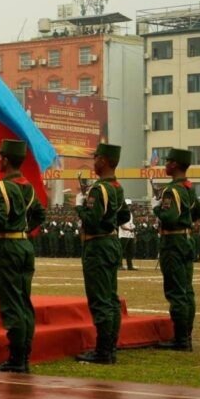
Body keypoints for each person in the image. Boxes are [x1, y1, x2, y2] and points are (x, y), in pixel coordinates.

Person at [0, 139, 45, 373]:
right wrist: (25, 230)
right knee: (23, 301)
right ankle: (24, 355)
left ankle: (16, 359)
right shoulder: (28, 186)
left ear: (6, 160)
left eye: (0, 156)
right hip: (24, 245)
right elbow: (39, 214)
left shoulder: (1, 187)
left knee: (11, 303)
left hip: (7, 246)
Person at [75, 143, 128, 364]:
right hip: (111, 242)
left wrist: (80, 206)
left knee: (100, 300)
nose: (93, 161)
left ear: (104, 160)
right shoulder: (116, 187)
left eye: (95, 157)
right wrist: (108, 222)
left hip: (97, 246)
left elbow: (91, 221)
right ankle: (109, 347)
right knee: (111, 299)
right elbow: (124, 216)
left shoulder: (99, 189)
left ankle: (103, 352)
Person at [153, 148, 200, 351]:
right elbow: (199, 211)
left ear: (174, 164)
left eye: (167, 161)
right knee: (186, 291)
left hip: (173, 242)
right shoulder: (187, 188)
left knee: (176, 292)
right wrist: (186, 218)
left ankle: (180, 340)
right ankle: (186, 337)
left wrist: (157, 206)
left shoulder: (172, 190)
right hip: (186, 240)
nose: (165, 165)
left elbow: (169, 217)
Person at [118, 202, 137, 270]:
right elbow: (121, 225)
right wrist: (129, 229)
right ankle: (119, 265)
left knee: (130, 251)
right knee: (121, 251)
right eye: (128, 205)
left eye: (130, 205)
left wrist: (133, 234)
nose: (129, 206)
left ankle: (130, 266)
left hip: (130, 235)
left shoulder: (130, 214)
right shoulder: (121, 213)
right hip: (123, 235)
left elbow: (131, 224)